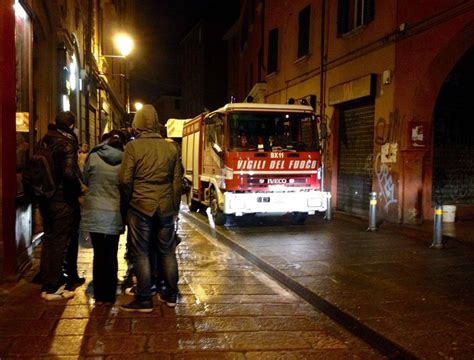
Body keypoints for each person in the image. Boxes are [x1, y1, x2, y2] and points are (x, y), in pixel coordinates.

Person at [119, 104, 182, 312]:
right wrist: (174, 208)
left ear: (138, 122)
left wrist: (128, 202)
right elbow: (176, 183)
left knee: (141, 252)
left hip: (140, 206)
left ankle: (145, 298)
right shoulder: (171, 148)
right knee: (167, 252)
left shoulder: (133, 147)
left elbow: (125, 180)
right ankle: (171, 295)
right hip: (165, 207)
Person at [38, 111, 84, 300]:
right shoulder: (67, 142)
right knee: (59, 241)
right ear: (72, 125)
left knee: (49, 239)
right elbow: (68, 173)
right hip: (61, 198)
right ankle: (53, 286)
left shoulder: (46, 139)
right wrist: (79, 190)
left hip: (46, 197)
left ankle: (47, 280)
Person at [80, 130, 126, 305]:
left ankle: (99, 296)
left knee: (99, 254)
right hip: (114, 212)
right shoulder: (125, 160)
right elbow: (126, 184)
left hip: (95, 212)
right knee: (112, 253)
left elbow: (85, 179)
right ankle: (110, 295)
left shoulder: (93, 157)